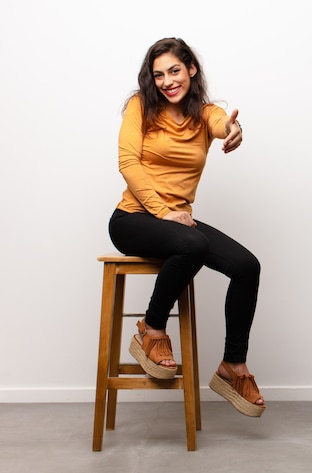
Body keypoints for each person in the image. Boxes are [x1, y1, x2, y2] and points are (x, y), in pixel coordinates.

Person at [108, 37, 264, 417]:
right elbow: (128, 162)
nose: (167, 81)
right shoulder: (140, 105)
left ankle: (233, 366)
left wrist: (233, 127)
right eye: (158, 74)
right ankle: (152, 330)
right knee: (192, 245)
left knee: (247, 267)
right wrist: (162, 211)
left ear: (191, 69)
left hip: (179, 223)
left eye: (174, 71)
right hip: (133, 219)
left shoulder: (204, 113)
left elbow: (221, 122)